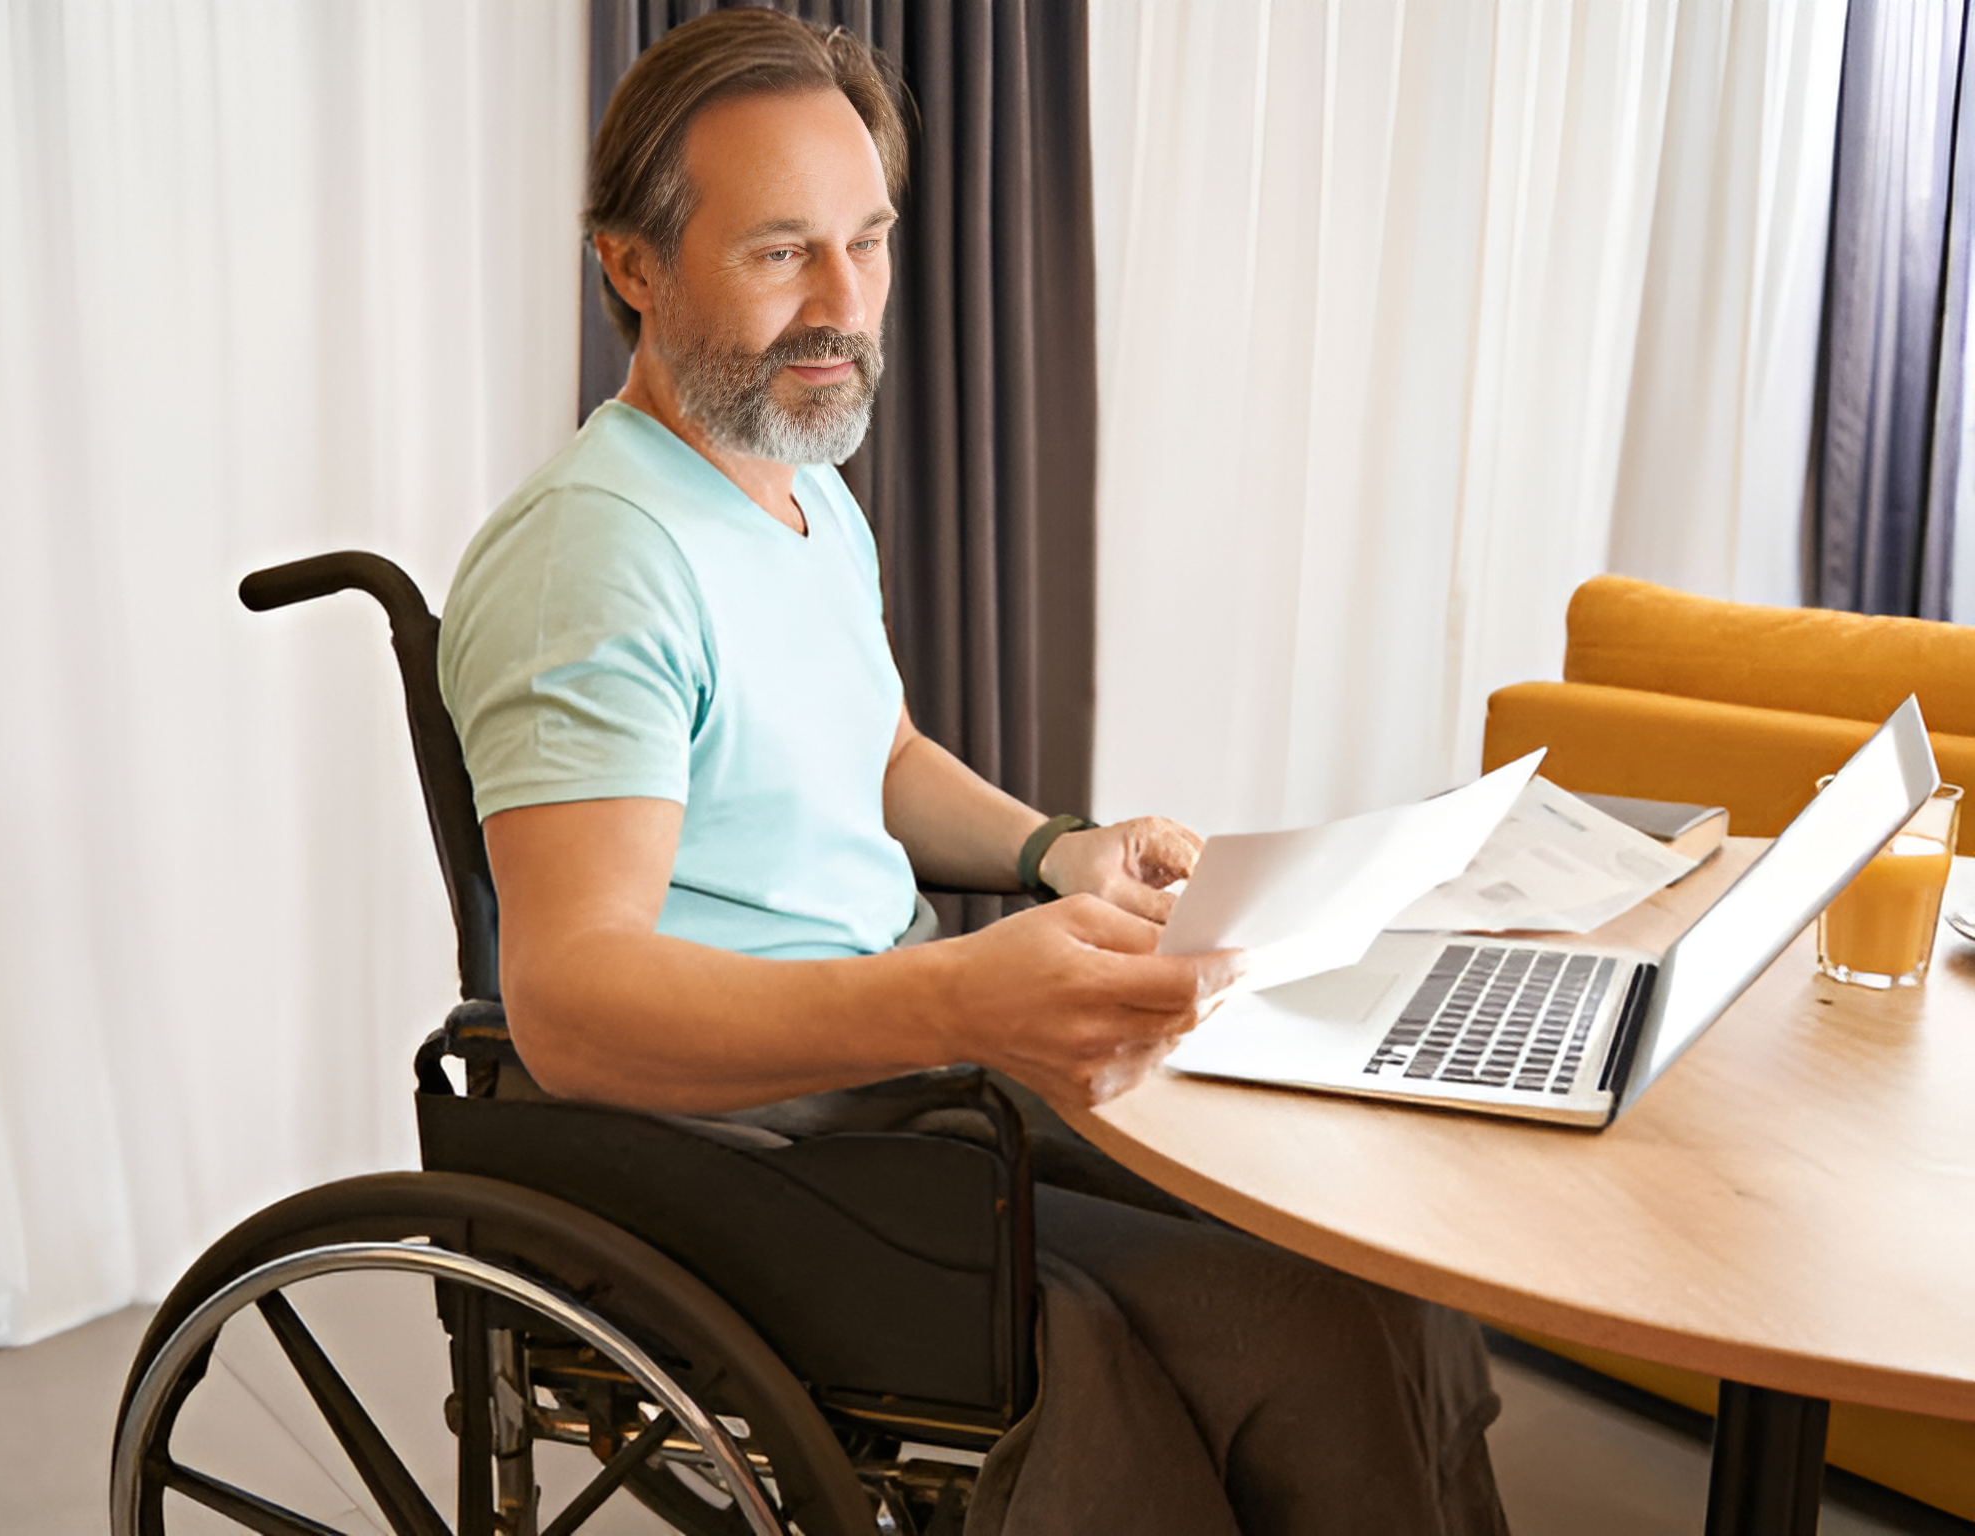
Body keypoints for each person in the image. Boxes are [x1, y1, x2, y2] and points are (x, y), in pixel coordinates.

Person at [438, 11, 1509, 1533]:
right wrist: (954, 994)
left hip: (895, 1067)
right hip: (737, 1141)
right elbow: (576, 1001)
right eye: (779, 253)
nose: (846, 307)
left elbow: (868, 750)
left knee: (1363, 1253)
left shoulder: (796, 485)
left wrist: (1058, 854)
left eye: (868, 241)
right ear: (632, 265)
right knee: (1304, 1329)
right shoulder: (597, 561)